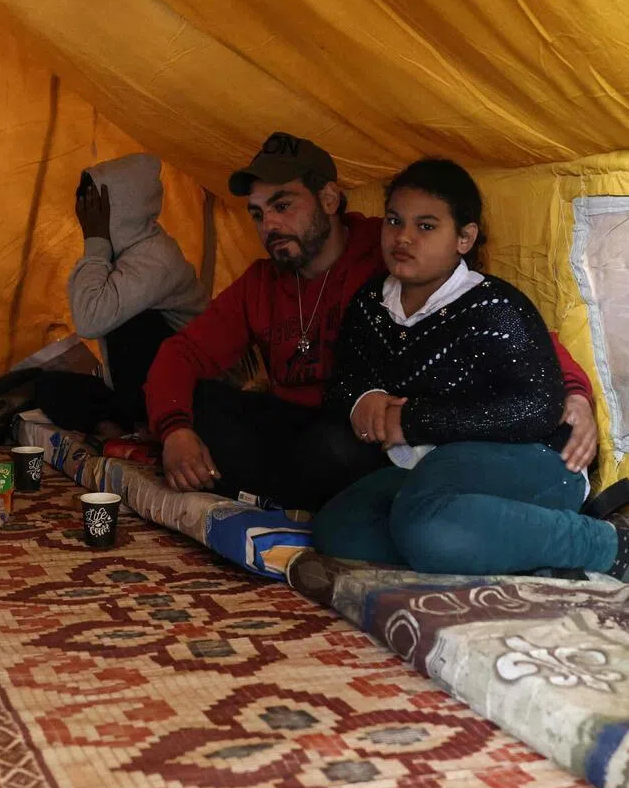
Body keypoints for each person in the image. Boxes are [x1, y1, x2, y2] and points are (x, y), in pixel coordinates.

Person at [145, 131, 597, 511]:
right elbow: (182, 352)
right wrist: (175, 431)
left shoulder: (392, 252)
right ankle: (274, 492)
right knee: (201, 404)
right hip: (299, 425)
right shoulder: (262, 281)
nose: (270, 226)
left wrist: (573, 391)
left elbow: (489, 316)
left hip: (367, 434)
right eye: (259, 214)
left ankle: (271, 494)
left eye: (283, 206)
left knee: (333, 450)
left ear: (327, 198)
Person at [312, 159, 629, 578]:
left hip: (538, 460)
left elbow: (537, 408)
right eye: (394, 221)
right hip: (432, 469)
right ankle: (503, 545)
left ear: (464, 238)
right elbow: (342, 383)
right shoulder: (371, 304)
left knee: (426, 524)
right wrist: (362, 401)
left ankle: (607, 545)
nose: (403, 237)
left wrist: (414, 419)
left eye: (426, 226)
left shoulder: (494, 306)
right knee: (337, 530)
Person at [37, 154, 208, 438]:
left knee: (130, 325)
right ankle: (115, 426)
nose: (84, 214)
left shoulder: (158, 257)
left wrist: (96, 242)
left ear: (125, 207)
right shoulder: (123, 251)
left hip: (189, 390)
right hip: (142, 388)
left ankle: (145, 425)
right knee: (47, 386)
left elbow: (90, 321)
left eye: (94, 205)